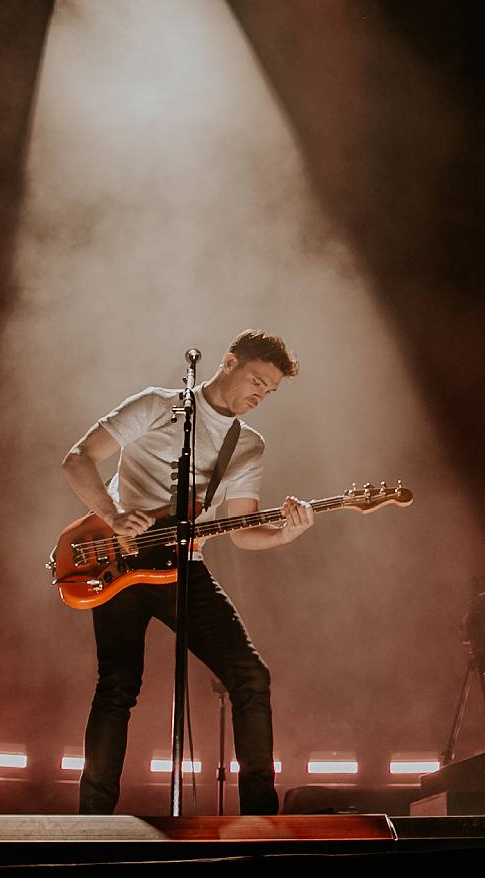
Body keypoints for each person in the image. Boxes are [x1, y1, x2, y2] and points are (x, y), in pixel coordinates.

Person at [61, 329, 316, 816]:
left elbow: (241, 529)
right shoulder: (157, 405)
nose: (261, 395)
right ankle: (92, 821)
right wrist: (114, 517)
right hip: (121, 560)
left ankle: (261, 818)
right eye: (257, 381)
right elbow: (77, 460)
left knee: (251, 677)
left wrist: (286, 533)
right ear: (229, 361)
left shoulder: (248, 446)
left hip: (185, 567)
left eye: (270, 391)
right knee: (118, 684)